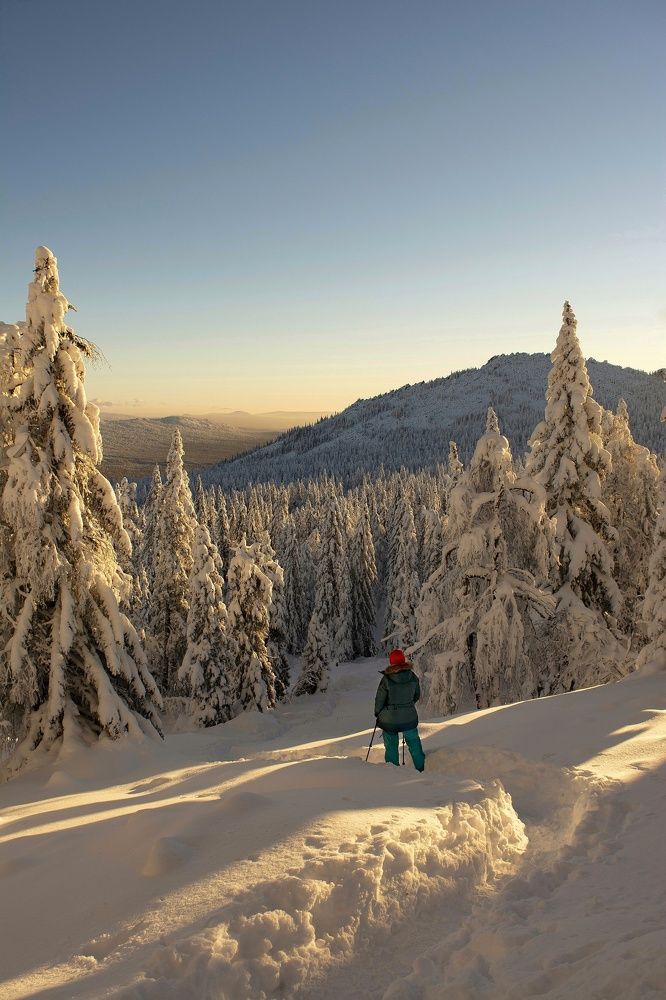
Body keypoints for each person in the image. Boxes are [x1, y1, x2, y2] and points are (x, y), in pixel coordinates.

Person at [374, 649, 425, 772]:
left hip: (389, 720)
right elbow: (416, 695)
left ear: (391, 662)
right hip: (409, 717)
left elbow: (380, 699)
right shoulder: (412, 676)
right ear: (403, 660)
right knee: (413, 742)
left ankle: (393, 772)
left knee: (391, 745)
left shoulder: (386, 679)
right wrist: (407, 705)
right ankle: (421, 767)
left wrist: (378, 713)